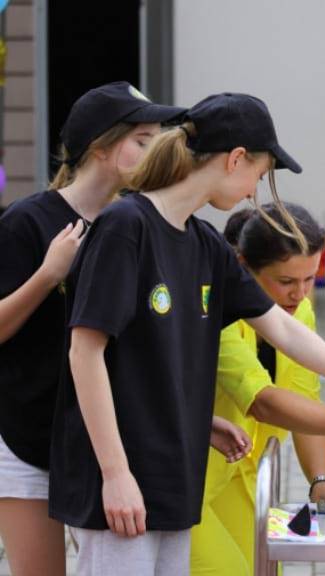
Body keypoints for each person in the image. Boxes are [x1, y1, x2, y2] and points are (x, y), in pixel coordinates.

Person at [49, 93, 325, 576]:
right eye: (259, 174)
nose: (253, 193)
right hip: (122, 482)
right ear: (234, 159)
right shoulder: (127, 226)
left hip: (175, 476)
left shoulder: (205, 244)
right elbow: (84, 352)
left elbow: (285, 332)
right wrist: (115, 473)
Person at [0, 81, 185, 576]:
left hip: (106, 444)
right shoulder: (27, 221)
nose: (155, 151)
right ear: (102, 148)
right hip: (28, 437)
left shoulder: (136, 222)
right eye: (143, 140)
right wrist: (48, 274)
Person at [192, 202, 325, 576]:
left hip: (243, 473)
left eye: (310, 279)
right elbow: (264, 403)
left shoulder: (300, 312)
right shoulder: (217, 312)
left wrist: (321, 480)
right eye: (286, 282)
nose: (300, 294)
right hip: (189, 481)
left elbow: (305, 400)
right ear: (242, 266)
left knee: (263, 569)